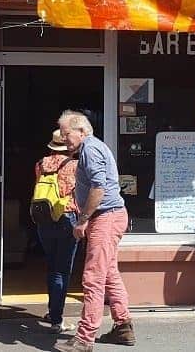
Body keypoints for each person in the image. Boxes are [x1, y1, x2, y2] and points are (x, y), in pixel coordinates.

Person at [54, 110, 135, 352]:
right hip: (109, 216)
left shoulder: (90, 148)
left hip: (105, 217)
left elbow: (98, 188)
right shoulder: (92, 147)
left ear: (82, 130)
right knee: (109, 273)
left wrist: (82, 220)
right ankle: (123, 327)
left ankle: (84, 339)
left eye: (66, 133)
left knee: (93, 278)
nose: (63, 138)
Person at [34, 129, 80, 333]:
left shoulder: (40, 164)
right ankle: (56, 319)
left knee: (52, 266)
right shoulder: (75, 166)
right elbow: (80, 193)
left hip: (44, 218)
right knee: (63, 269)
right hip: (66, 218)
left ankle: (53, 312)